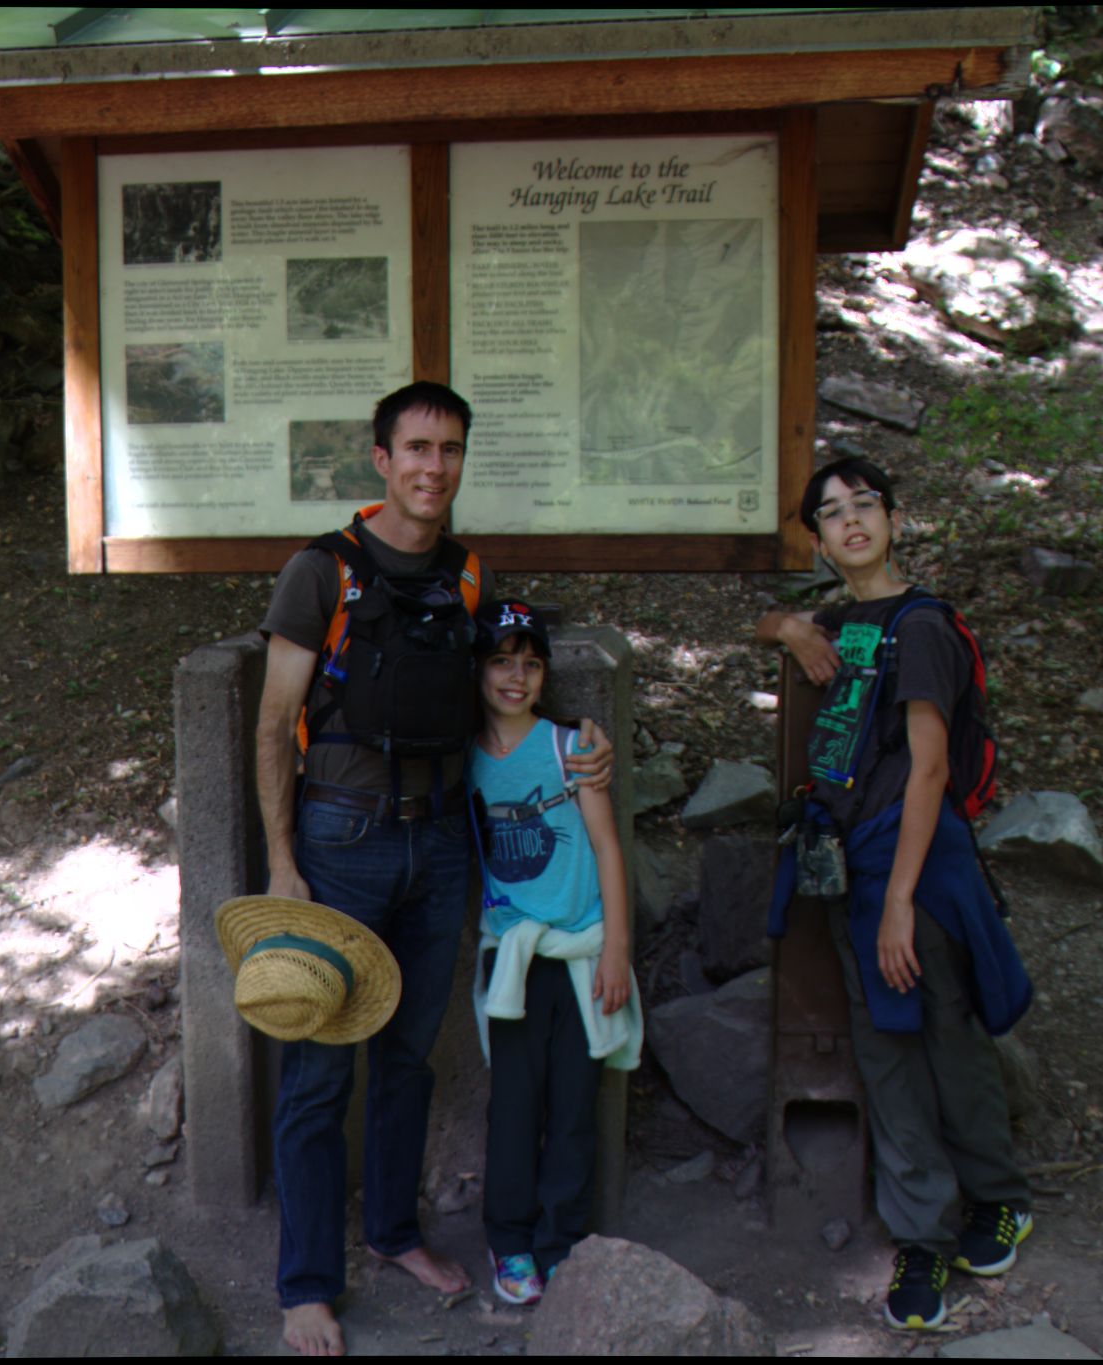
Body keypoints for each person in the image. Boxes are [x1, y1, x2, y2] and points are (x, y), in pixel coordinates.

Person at [254, 382, 611, 1356]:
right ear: (380, 459)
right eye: (415, 447)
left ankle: (395, 1235)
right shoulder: (319, 573)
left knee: (408, 1057)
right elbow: (270, 725)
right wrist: (282, 859)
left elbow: (502, 699)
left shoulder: (464, 577)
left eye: (449, 450)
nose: (432, 467)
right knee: (320, 1067)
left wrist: (585, 746)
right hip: (340, 843)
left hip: (438, 842)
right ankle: (306, 1286)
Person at [754, 456, 1034, 1332]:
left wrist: (903, 901)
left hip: (918, 868)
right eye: (830, 514)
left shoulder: (922, 628)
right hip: (852, 867)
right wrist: (791, 625)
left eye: (864, 504)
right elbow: (762, 622)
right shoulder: (841, 620)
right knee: (885, 1049)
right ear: (818, 538)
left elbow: (930, 766)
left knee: (946, 1035)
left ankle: (995, 1196)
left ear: (894, 518)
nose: (850, 523)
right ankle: (919, 1235)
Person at [465, 600, 641, 1307]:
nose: (516, 676)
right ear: (477, 667)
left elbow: (604, 846)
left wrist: (617, 950)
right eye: (501, 660)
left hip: (580, 950)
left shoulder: (571, 746)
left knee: (573, 1105)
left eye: (530, 663)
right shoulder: (460, 757)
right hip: (510, 956)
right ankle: (509, 1241)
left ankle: (561, 1241)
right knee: (513, 1105)